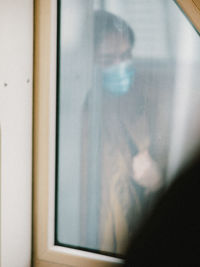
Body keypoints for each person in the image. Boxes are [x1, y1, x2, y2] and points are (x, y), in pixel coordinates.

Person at [82, 10, 168, 254]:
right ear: (90, 61)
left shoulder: (143, 99)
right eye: (109, 59)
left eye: (126, 55)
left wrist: (156, 178)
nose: (120, 66)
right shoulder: (85, 111)